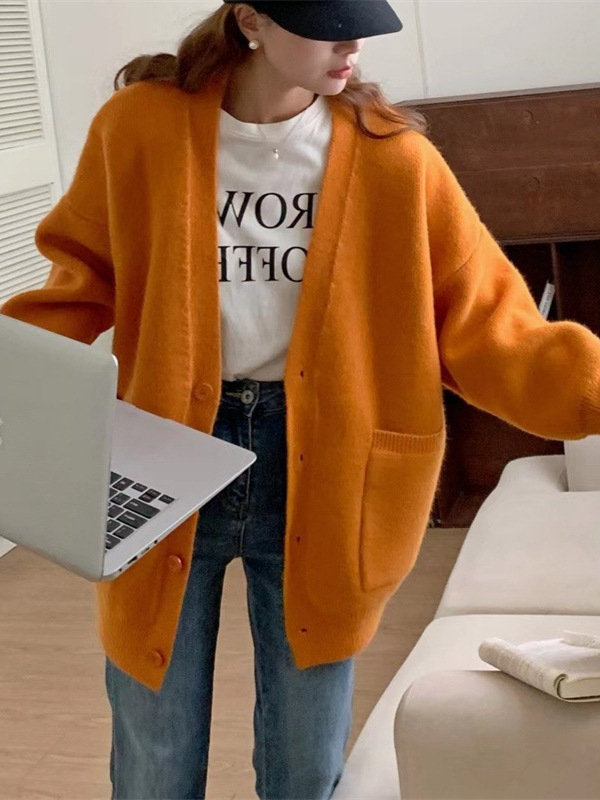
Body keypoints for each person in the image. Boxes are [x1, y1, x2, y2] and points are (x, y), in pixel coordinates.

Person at [4, 1, 600, 798]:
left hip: (329, 464)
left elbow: (496, 333)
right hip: (167, 449)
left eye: (361, 19)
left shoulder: (398, 163)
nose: (352, 42)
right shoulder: (139, 128)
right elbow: (77, 283)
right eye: (326, 22)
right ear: (252, 21)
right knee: (154, 755)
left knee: (306, 765)